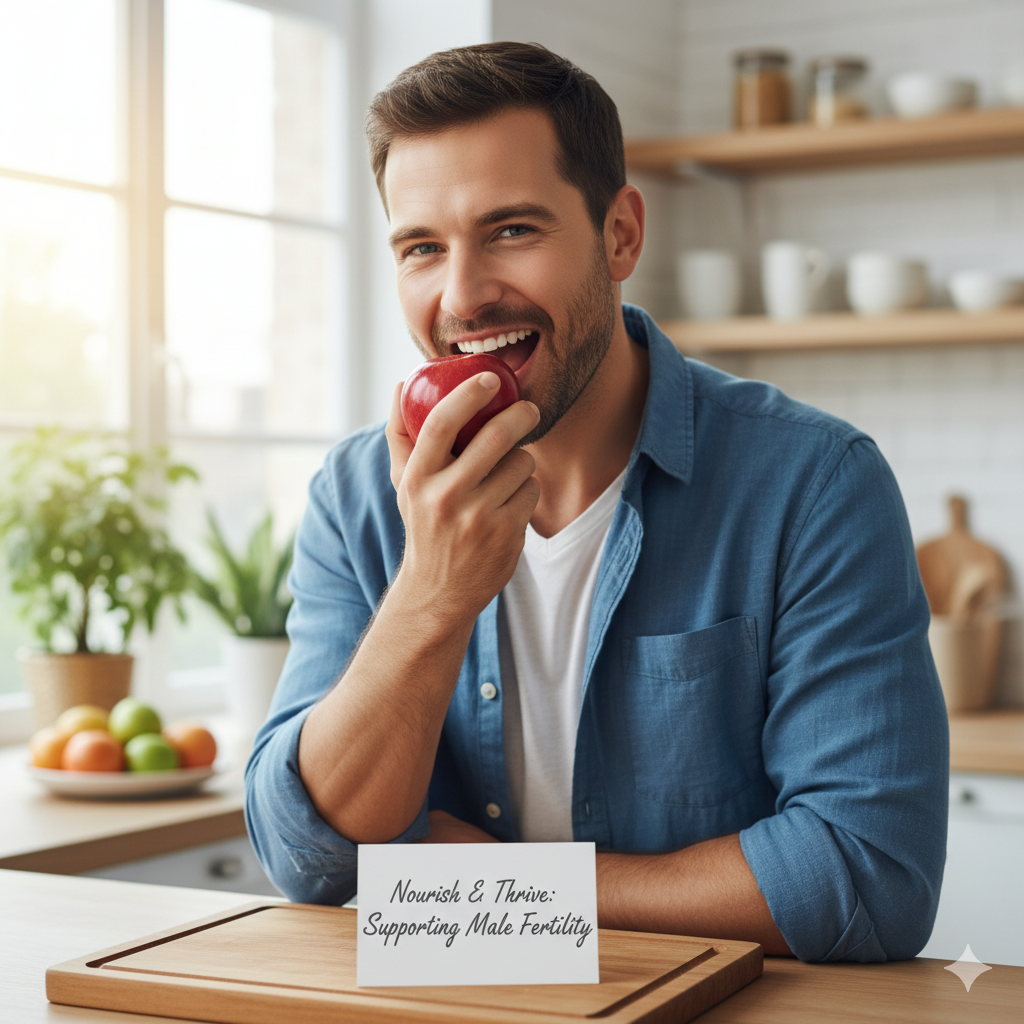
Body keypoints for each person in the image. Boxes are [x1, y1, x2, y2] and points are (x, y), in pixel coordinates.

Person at [245, 42, 948, 963]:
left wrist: (494, 892)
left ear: (620, 235)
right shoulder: (357, 497)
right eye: (422, 247)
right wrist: (433, 591)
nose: (461, 295)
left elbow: (867, 878)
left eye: (511, 231)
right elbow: (312, 851)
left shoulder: (815, 486)